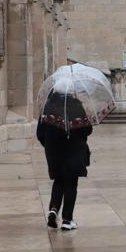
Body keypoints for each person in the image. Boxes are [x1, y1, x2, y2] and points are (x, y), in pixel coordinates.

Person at [38, 94, 92, 231]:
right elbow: (87, 129)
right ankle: (67, 220)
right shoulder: (76, 106)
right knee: (71, 184)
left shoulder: (48, 107)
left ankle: (53, 210)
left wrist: (49, 145)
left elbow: (40, 133)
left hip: (55, 153)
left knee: (59, 181)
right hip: (74, 152)